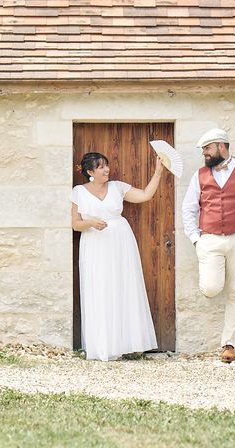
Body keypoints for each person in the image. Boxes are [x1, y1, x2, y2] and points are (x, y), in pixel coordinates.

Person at [182, 128, 235, 363]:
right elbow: (189, 208)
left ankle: (228, 344)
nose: (205, 155)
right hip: (209, 239)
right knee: (212, 288)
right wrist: (195, 239)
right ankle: (209, 278)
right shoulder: (199, 175)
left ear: (221, 146)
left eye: (207, 149)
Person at [71, 152, 164, 361]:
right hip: (94, 244)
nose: (106, 170)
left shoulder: (117, 187)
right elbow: (75, 224)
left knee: (123, 287)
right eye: (100, 167)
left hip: (121, 242)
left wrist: (158, 172)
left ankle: (128, 343)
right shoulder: (78, 192)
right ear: (89, 172)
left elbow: (145, 195)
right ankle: (104, 345)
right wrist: (91, 223)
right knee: (100, 288)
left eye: (106, 165)